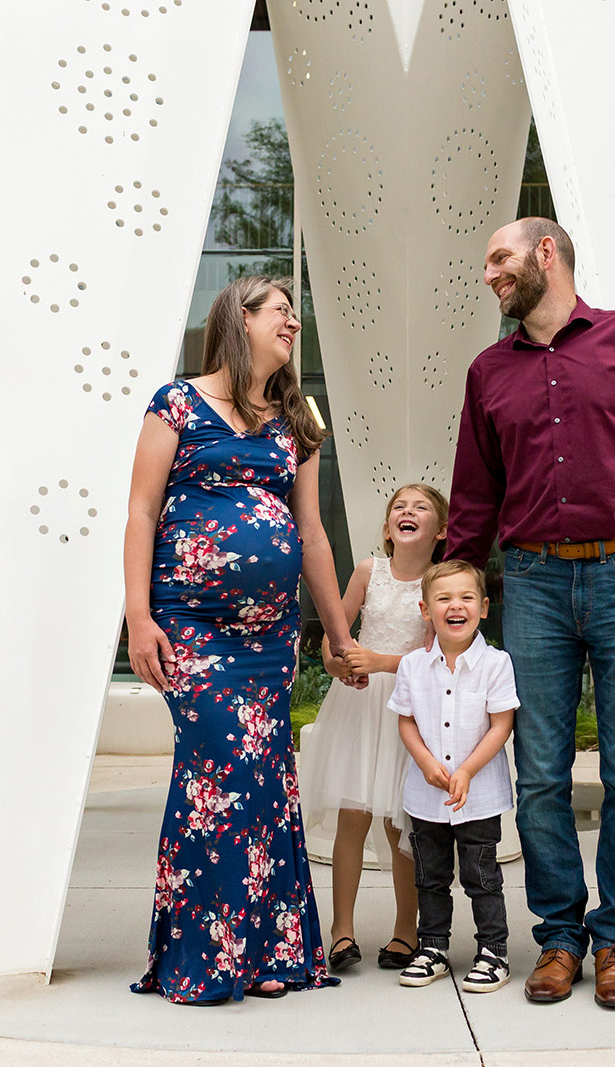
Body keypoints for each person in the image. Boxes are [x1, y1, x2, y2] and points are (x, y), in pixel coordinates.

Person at [445, 218, 615, 1010]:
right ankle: (560, 937)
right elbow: (474, 496)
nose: (489, 275)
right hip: (532, 582)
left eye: (499, 258)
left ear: (545, 252)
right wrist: (453, 599)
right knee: (538, 775)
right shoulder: (488, 372)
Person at [123, 275, 356, 1004]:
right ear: (240, 319)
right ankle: (209, 956)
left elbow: (312, 533)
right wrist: (138, 618)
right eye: (280, 312)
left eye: (293, 315)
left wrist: (338, 634)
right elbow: (141, 511)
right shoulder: (176, 403)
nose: (293, 323)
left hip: (269, 639)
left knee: (264, 779)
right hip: (190, 627)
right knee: (219, 776)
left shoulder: (296, 421)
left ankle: (270, 952)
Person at [300, 483, 450, 973]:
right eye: (399, 507)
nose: (408, 512)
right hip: (359, 707)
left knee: (398, 822)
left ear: (441, 530)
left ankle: (406, 929)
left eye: (421, 507)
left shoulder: (439, 581)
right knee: (353, 816)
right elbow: (335, 636)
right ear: (388, 527)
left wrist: (379, 662)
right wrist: (340, 665)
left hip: (408, 710)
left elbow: (439, 656)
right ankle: (341, 930)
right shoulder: (369, 571)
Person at [389, 560, 519, 995]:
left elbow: (501, 724)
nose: (455, 606)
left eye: (466, 597)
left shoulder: (496, 663)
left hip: (479, 795)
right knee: (430, 877)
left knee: (482, 877)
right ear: (426, 610)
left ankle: (493, 952)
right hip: (426, 797)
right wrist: (425, 762)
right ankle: (432, 948)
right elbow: (406, 720)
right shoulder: (412, 665)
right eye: (444, 598)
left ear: (484, 607)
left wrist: (466, 770)